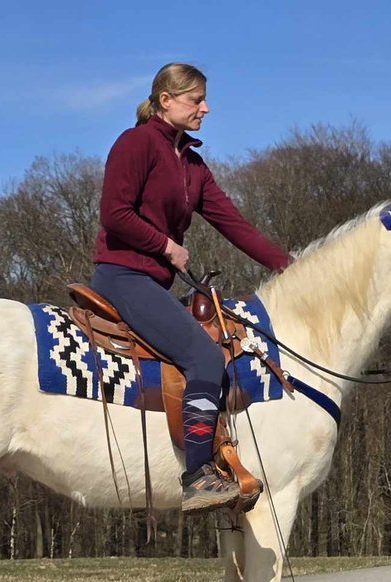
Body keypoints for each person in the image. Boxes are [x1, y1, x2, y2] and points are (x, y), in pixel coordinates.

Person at [90, 62, 291, 513]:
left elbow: (234, 225)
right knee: (202, 356)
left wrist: (289, 266)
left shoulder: (193, 166)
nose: (206, 108)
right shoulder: (135, 143)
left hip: (153, 283)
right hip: (122, 275)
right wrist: (166, 245)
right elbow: (114, 214)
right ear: (166, 100)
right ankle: (198, 476)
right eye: (195, 99)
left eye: (204, 99)